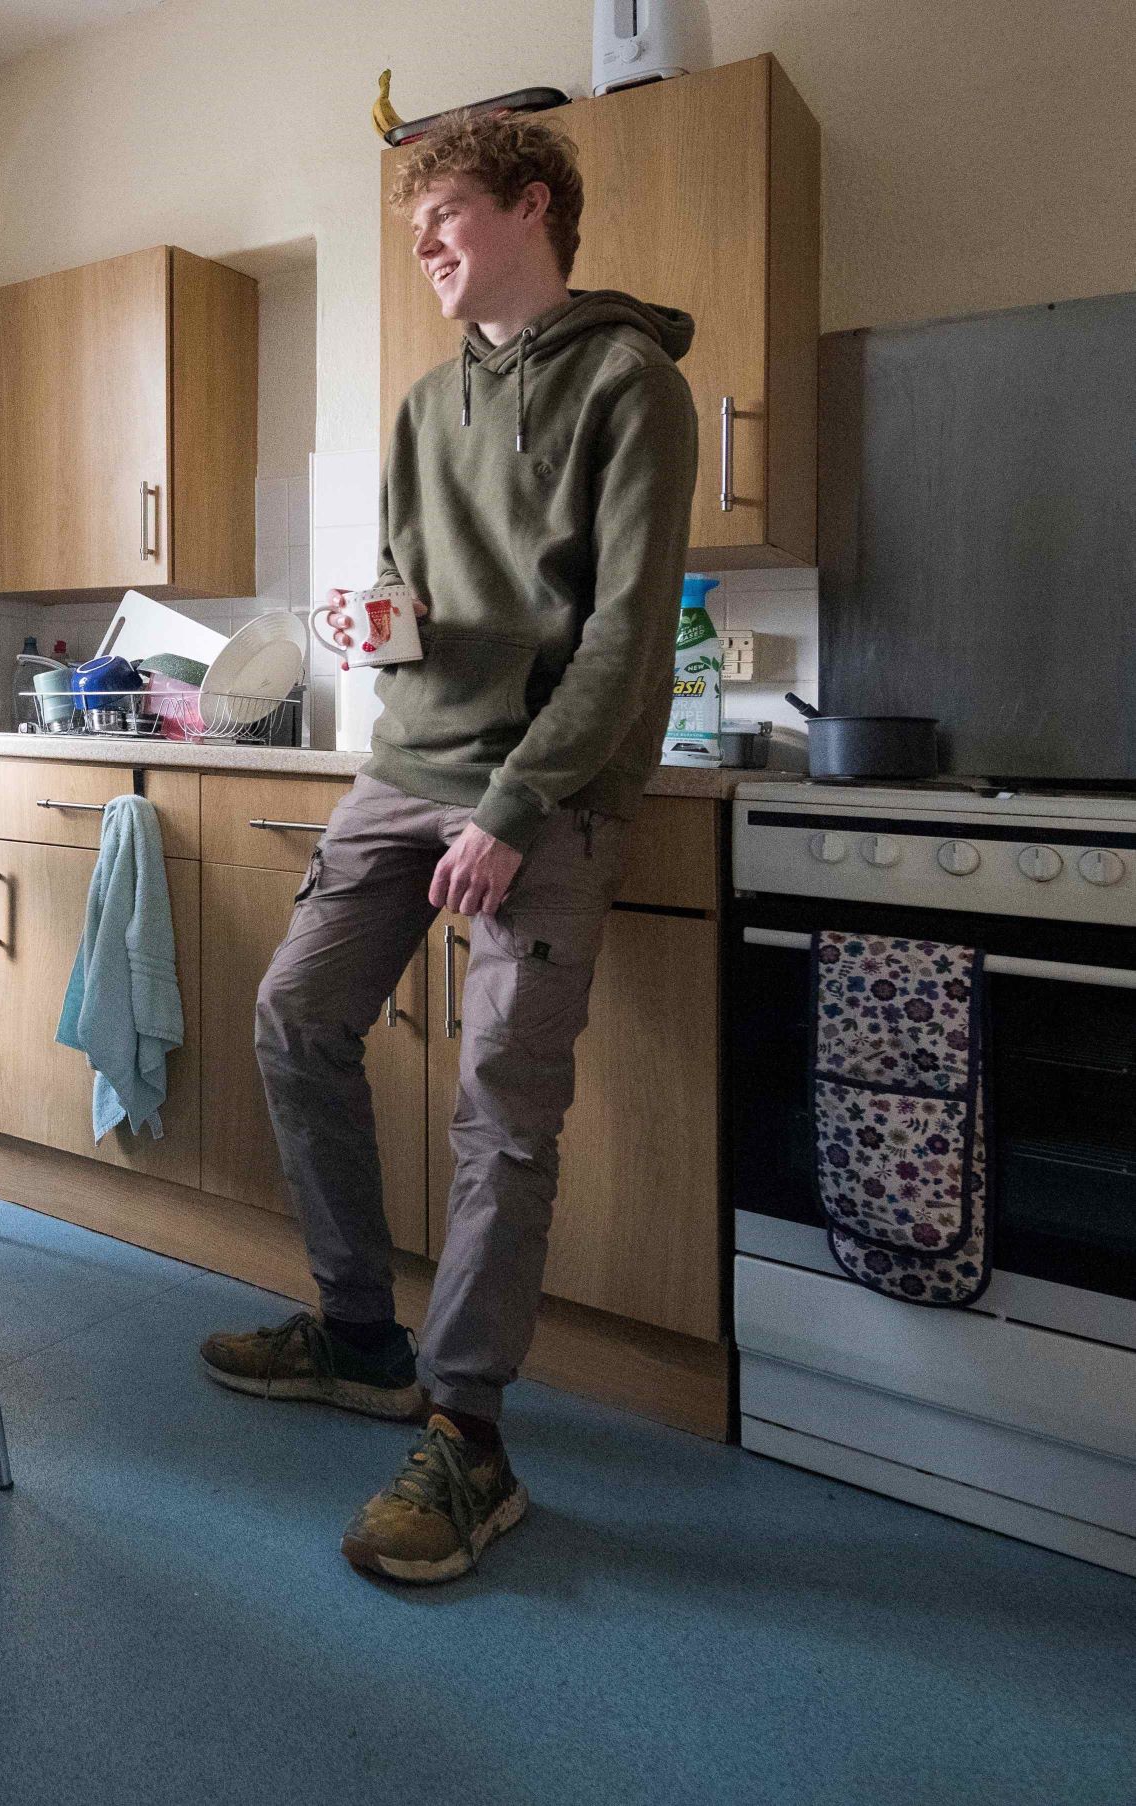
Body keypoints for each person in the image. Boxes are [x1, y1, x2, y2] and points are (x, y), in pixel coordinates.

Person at [200, 110, 699, 1584]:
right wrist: (380, 620)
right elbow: (415, 582)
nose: (425, 250)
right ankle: (360, 1331)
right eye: (416, 232)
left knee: (500, 1103)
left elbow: (622, 641)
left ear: (534, 209)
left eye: (448, 221)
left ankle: (468, 1435)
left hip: (548, 790)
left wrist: (510, 808)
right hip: (407, 764)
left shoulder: (634, 384)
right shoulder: (424, 409)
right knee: (296, 1012)